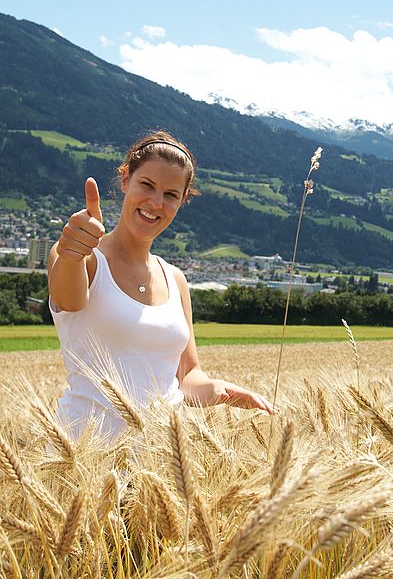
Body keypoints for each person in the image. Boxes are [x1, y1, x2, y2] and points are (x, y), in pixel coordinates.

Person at [48, 130, 273, 440]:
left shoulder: (175, 279)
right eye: (147, 185)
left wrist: (219, 390)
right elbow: (69, 300)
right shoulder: (83, 257)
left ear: (182, 201)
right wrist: (72, 254)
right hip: (83, 459)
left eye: (170, 194)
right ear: (125, 178)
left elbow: (188, 377)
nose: (156, 202)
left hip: (160, 464)